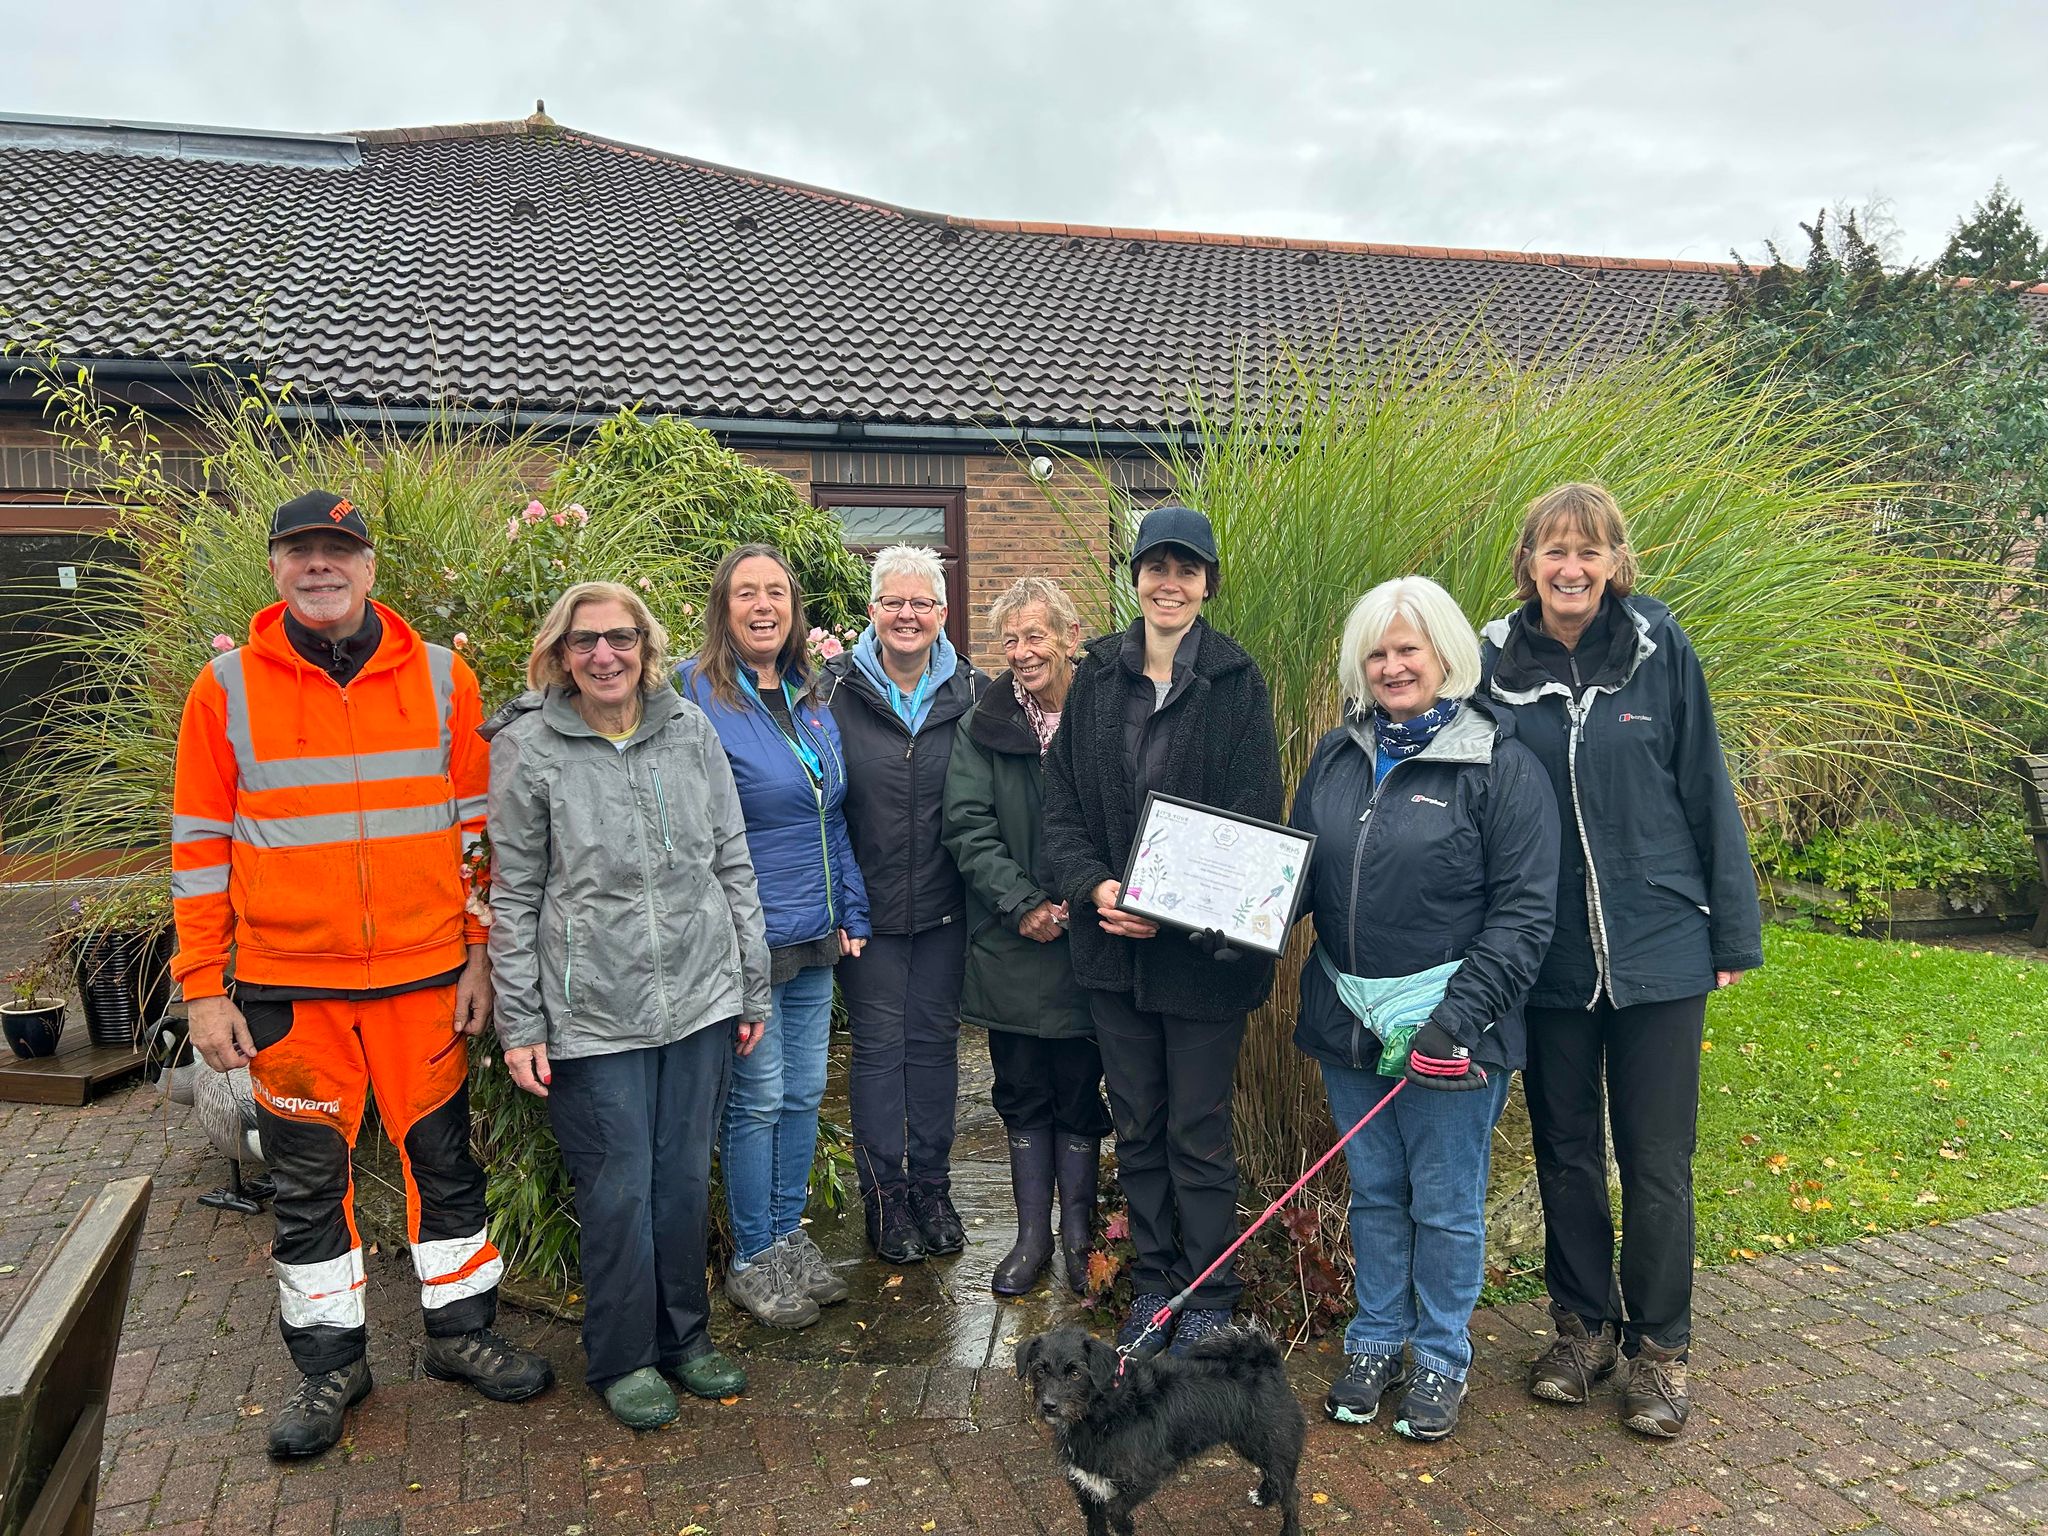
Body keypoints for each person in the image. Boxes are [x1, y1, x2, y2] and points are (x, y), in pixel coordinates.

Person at [169, 489, 552, 1461]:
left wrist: (478, 951)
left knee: (446, 1168)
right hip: (289, 989)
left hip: (426, 979)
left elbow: (478, 833)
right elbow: (199, 849)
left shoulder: (440, 679)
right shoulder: (226, 692)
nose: (320, 566)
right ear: (276, 569)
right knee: (307, 1188)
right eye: (301, 551)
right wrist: (203, 986)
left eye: (338, 550)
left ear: (370, 567)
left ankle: (461, 1336)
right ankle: (329, 1366)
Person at [1481, 482, 1764, 1439]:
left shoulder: (1657, 647)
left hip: (1659, 945)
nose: (1571, 568)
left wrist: (1729, 932)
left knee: (1654, 1160)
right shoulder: (1491, 661)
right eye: (1554, 551)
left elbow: (1704, 784)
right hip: (1547, 951)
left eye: (1589, 552)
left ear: (1614, 563)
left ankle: (1660, 1351)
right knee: (1565, 1151)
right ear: (1528, 561)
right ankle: (1581, 1328)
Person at [485, 581, 770, 1430]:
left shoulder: (691, 732)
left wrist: (748, 982)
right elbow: (514, 897)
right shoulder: (530, 748)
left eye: (620, 639)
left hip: (700, 999)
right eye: (585, 642)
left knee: (683, 1183)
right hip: (594, 1013)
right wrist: (522, 1023)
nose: (603, 656)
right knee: (618, 1191)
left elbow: (732, 859)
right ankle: (624, 1356)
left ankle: (685, 1340)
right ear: (561, 654)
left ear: (646, 647)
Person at [1290, 577, 1559, 1441]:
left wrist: (1456, 1022)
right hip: (1348, 1017)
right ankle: (1376, 1337)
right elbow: (1293, 876)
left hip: (1453, 1029)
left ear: (1446, 654)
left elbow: (1524, 914)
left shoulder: (1501, 767)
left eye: (1408, 649)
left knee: (1445, 1199)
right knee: (1373, 1190)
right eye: (1376, 652)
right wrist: (1221, 919)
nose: (1392, 665)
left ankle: (1441, 1354)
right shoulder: (1337, 757)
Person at [1040, 504, 1283, 1359]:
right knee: (1138, 1124)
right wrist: (1095, 885)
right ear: (1135, 577)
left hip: (1201, 967)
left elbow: (1256, 824)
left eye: (1187, 569)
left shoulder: (1237, 682)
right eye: (1156, 568)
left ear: (1208, 582)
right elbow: (1058, 809)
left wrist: (1172, 908)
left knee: (1198, 1132)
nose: (1169, 583)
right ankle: (1154, 1287)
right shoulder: (1099, 674)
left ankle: (1210, 1292)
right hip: (1112, 953)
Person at [678, 545, 869, 1328]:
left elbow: (832, 816)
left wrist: (851, 911)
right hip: (747, 939)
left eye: (778, 593)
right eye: (747, 593)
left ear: (794, 608)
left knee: (800, 1094)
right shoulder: (693, 699)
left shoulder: (806, 694)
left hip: (814, 933)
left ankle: (789, 1238)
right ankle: (753, 1256)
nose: (764, 605)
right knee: (755, 1102)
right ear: (724, 607)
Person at [942, 576, 1110, 1297]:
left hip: (1092, 939)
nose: (1021, 653)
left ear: (1071, 638)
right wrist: (1022, 904)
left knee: (1078, 1089)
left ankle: (1079, 1236)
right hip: (1012, 943)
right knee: (1019, 1089)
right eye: (1009, 640)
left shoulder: (1107, 714)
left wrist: (1087, 897)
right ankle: (1030, 1238)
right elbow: (968, 826)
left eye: (1034, 636)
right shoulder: (981, 725)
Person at [825, 545, 986, 1263]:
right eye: (893, 601)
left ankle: (932, 1185)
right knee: (878, 1054)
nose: (907, 615)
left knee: (932, 1051)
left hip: (947, 910)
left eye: (922, 603)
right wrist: (841, 903)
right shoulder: (831, 694)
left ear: (944, 614)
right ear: (871, 611)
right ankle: (885, 1197)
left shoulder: (974, 694)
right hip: (868, 916)